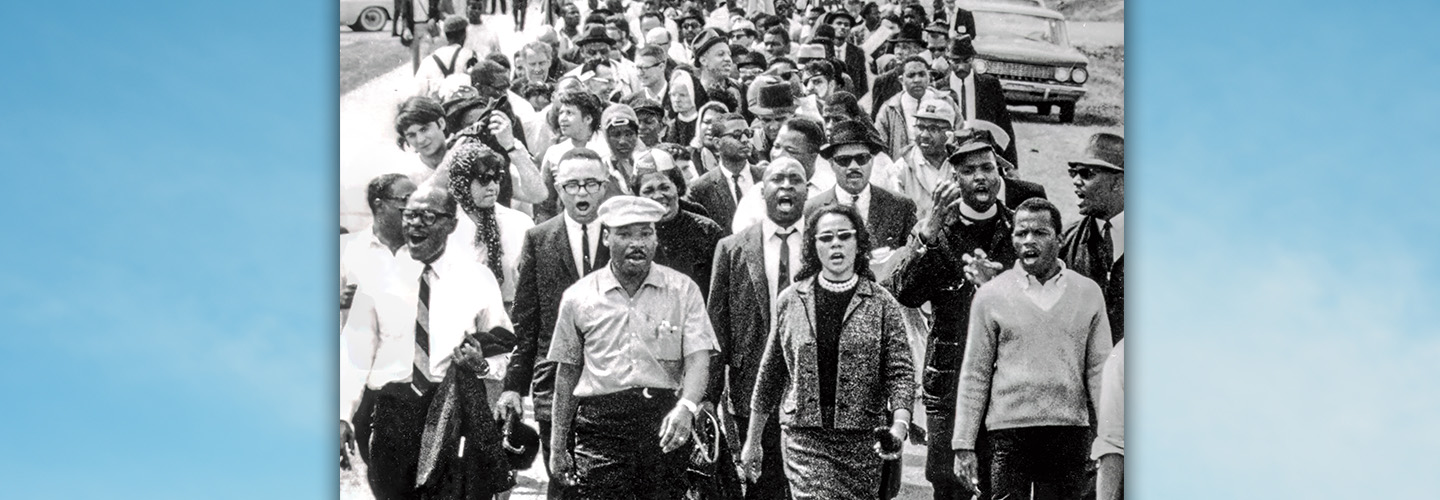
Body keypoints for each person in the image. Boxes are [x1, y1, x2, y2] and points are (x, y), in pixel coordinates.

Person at [340, 183, 517, 500]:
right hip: (393, 415)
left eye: (427, 216)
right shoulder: (377, 277)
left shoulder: (476, 278)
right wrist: (341, 415)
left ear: (451, 224)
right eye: (409, 215)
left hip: (450, 413)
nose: (415, 223)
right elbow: (355, 351)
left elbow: (503, 347)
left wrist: (481, 364)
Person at [546, 196, 721, 499]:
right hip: (601, 426)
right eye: (625, 234)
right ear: (606, 237)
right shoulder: (580, 297)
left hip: (664, 421)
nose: (636, 243)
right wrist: (557, 445)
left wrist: (687, 407)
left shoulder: (683, 290)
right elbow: (567, 372)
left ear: (656, 237)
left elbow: (698, 359)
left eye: (645, 233)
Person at [742, 203, 916, 499]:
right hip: (805, 439)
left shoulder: (881, 303)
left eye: (844, 236)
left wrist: (899, 427)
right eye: (825, 238)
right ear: (813, 246)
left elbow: (900, 373)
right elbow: (771, 372)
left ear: (859, 243)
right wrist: (753, 439)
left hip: (863, 442)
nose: (836, 244)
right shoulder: (791, 300)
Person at [950, 197, 1113, 500]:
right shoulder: (991, 295)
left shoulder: (1087, 293)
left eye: (1040, 233)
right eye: (1020, 233)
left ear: (1059, 239)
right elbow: (975, 372)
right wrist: (963, 444)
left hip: (1067, 431)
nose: (1029, 241)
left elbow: (1100, 371)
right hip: (1008, 433)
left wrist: (1108, 437)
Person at [889, 138, 1017, 500]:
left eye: (987, 169)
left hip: (1007, 380)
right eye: (969, 170)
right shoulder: (938, 232)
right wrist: (927, 232)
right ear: (954, 178)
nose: (980, 178)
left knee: (1002, 482)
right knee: (948, 481)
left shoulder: (1015, 230)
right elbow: (904, 292)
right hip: (949, 382)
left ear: (1000, 174)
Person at [496, 148, 616, 499]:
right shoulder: (539, 238)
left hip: (613, 380)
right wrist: (514, 385)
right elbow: (526, 319)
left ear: (605, 186)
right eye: (572, 185)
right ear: (558, 188)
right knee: (561, 479)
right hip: (555, 379)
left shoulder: (621, 235)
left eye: (591, 184)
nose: (582, 193)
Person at [707, 157, 810, 500]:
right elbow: (716, 329)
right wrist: (709, 397)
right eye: (776, 179)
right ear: (761, 190)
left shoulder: (822, 243)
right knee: (760, 483)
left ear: (806, 190)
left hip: (809, 385)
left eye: (795, 179)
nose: (785, 186)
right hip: (750, 385)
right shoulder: (732, 248)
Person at [339, 173, 418, 464]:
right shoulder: (348, 250)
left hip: (421, 387)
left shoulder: (428, 252)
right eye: (405, 200)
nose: (415, 207)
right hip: (367, 386)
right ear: (379, 204)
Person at [805, 120, 917, 256]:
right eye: (844, 160)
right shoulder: (812, 209)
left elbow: (913, 260)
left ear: (872, 160)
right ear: (831, 164)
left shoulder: (900, 206)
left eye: (862, 158)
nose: (854, 167)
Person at [444, 143, 535, 307]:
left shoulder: (520, 224)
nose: (493, 187)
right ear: (462, 182)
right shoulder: (444, 228)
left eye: (497, 178)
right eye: (484, 179)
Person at [630, 157, 727, 299]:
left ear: (678, 187)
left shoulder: (707, 231)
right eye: (648, 190)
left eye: (664, 187)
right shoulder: (631, 236)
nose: (657, 196)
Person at [1060, 132, 1125, 343]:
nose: (1076, 181)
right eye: (1074, 173)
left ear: (1118, 182)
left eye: (1087, 173)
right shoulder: (1066, 241)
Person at [729, 116, 832, 233]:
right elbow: (744, 239)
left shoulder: (830, 189)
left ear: (812, 156)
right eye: (776, 146)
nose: (778, 155)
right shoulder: (757, 194)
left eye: (790, 150)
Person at [937, 36, 1019, 168]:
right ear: (948, 60)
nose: (961, 66)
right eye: (956, 61)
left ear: (973, 58)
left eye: (966, 60)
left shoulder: (990, 85)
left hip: (983, 154)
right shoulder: (939, 88)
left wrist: (1012, 165)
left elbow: (1004, 125)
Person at [536, 89, 615, 222]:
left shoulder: (609, 149)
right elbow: (546, 202)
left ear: (588, 118)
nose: (562, 119)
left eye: (569, 113)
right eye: (561, 113)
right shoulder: (554, 152)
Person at [684, 113, 761, 231]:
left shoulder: (766, 177)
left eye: (748, 134)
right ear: (717, 143)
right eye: (736, 135)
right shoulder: (701, 189)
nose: (745, 140)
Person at [875, 55, 939, 159]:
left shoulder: (944, 101)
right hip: (903, 168)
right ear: (901, 80)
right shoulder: (890, 109)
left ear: (929, 77)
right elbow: (879, 146)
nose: (917, 80)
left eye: (922, 74)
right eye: (911, 75)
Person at [415, 15, 479, 99]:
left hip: (436, 108)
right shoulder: (470, 55)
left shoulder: (429, 60)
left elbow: (418, 93)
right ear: (463, 35)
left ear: (446, 35)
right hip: (463, 107)